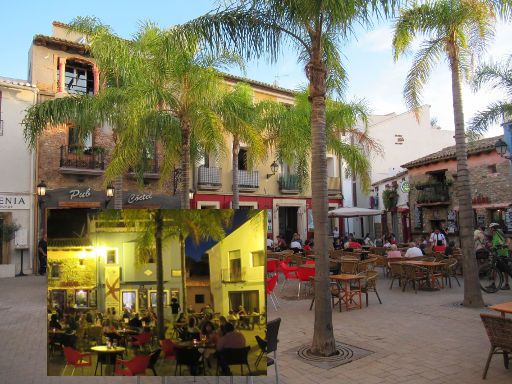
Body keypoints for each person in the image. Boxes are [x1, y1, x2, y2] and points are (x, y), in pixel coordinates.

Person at [490, 223, 510, 290]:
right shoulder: (495, 234)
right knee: (495, 268)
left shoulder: (499, 233)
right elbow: (495, 243)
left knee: (505, 270)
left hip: (503, 254)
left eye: (491, 228)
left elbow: (503, 242)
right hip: (498, 254)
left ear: (493, 228)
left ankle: (507, 284)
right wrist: (492, 247)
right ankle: (493, 284)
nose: (490, 229)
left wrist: (497, 246)